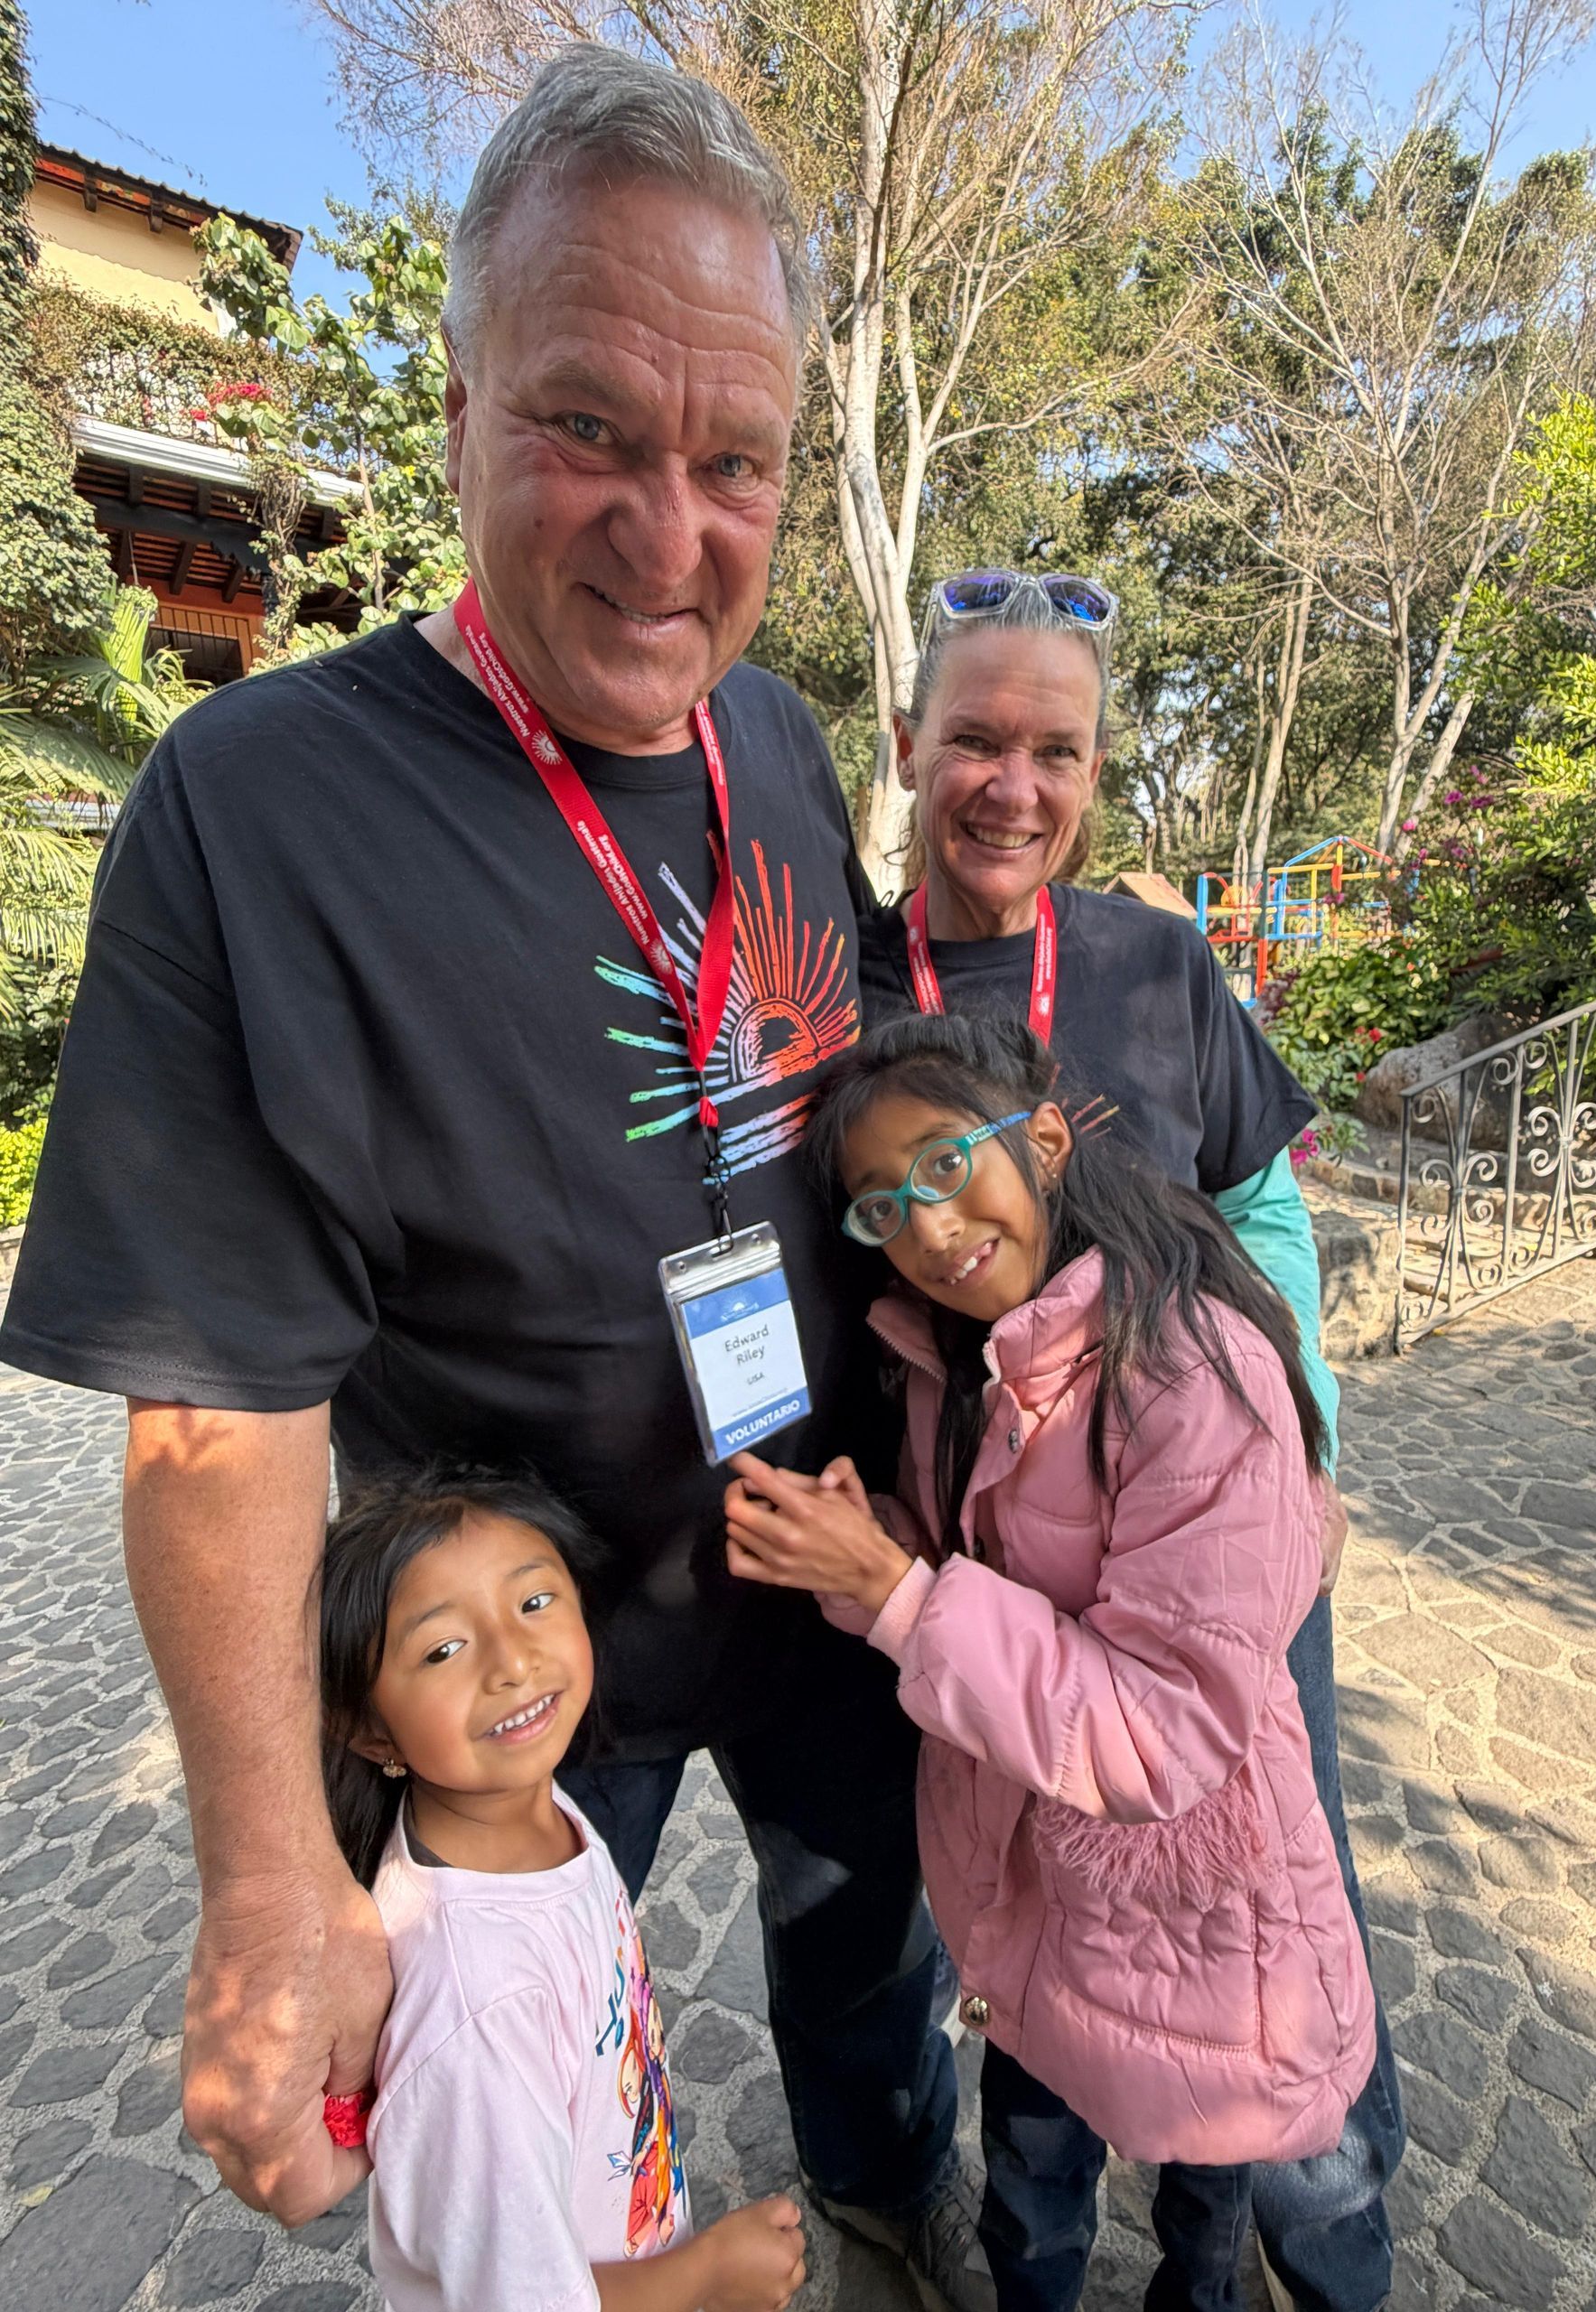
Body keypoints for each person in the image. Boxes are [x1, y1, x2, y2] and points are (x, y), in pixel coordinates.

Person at [0, 46, 981, 2305]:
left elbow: (846, 1114)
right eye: (587, 432)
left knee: (865, 1959)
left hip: (828, 1553)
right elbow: (212, 1403)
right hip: (523, 1651)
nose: (672, 533)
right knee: (524, 2122)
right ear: (453, 408)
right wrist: (266, 1884)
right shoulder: (253, 813)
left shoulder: (777, 727)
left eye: (732, 458)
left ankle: (880, 2196)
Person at [854, 571, 1405, 2311]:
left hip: (1202, 1535)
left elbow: (1262, 1198)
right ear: (907, 747)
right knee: (1043, 1895)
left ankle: (1290, 2230)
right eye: (974, 741)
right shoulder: (842, 979)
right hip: (987, 1549)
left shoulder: (1161, 965)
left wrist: (1284, 1415)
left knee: (1252, 1893)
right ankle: (1034, 2210)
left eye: (1056, 749)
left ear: (1095, 773)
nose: (1013, 784)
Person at [721, 1013, 1377, 2312]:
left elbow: (1165, 1724)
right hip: (1033, 1911)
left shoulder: (1193, 1371)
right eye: (880, 1206)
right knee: (1031, 2201)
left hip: (1192, 1922)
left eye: (948, 1162)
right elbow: (983, 1596)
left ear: (1049, 1135)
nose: (925, 1225)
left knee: (1204, 2213)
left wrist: (896, 1590)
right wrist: (870, 1557)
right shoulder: (948, 1357)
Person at [318, 1463, 807, 2312]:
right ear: (365, 1728)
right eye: (442, 1649)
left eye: (535, 1601)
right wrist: (703, 2276)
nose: (512, 1660)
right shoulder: (476, 2009)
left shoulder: (541, 1814)